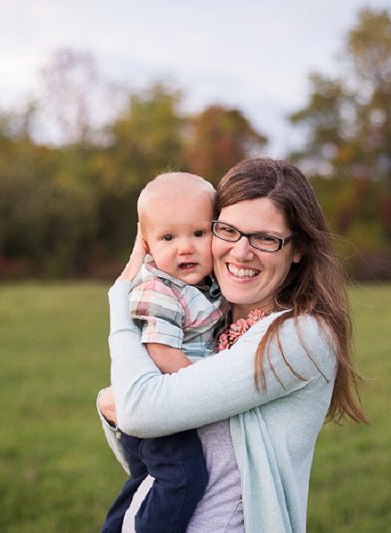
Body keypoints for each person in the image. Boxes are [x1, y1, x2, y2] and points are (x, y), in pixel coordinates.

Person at [98, 157, 368, 532]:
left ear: (298, 248)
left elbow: (139, 411)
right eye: (227, 230)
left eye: (265, 238)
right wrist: (117, 406)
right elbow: (154, 462)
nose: (241, 252)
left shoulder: (300, 336)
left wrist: (119, 300)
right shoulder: (207, 320)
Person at [101, 172, 228, 533]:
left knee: (143, 482)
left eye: (198, 234)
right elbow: (160, 352)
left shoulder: (206, 283)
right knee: (181, 479)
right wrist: (207, 389)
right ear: (146, 243)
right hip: (162, 409)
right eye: (168, 237)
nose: (184, 247)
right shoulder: (158, 289)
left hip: (165, 407)